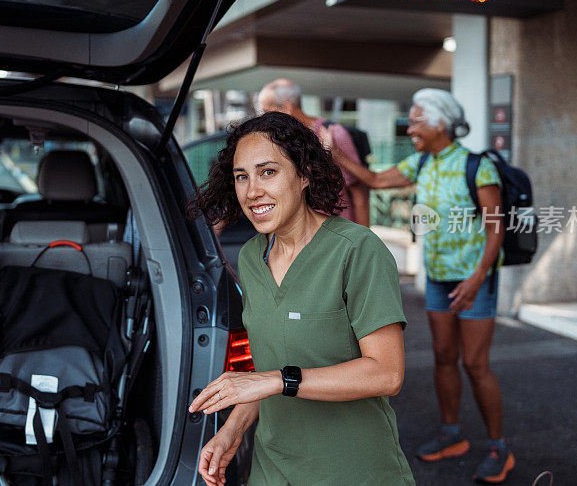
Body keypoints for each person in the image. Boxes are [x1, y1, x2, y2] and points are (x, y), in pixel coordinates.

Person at [187, 111, 413, 486]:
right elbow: (266, 368)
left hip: (353, 470)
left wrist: (280, 380)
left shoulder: (357, 250)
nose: (252, 190)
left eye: (268, 172)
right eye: (241, 176)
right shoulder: (250, 257)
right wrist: (233, 431)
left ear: (305, 174)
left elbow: (387, 373)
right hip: (273, 468)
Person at [321, 88, 513, 483]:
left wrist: (477, 278)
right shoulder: (422, 162)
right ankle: (452, 435)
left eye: (416, 121)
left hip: (474, 279)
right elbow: (373, 179)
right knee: (444, 358)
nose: (410, 129)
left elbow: (496, 229)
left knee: (475, 365)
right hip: (440, 279)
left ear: (441, 123)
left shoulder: (478, 167)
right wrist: (336, 156)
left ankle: (499, 447)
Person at [257, 79, 371, 226]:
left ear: (286, 108)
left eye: (267, 112)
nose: (263, 119)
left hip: (337, 238)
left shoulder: (333, 134)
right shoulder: (281, 140)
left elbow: (359, 194)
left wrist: (363, 242)